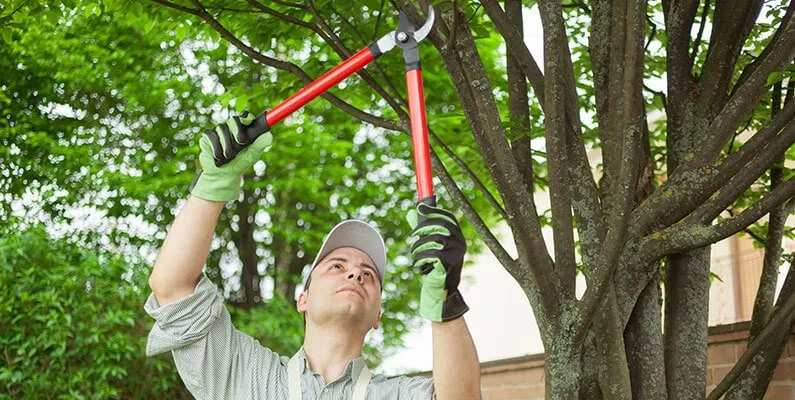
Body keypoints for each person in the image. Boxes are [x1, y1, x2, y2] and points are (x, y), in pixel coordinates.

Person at [144, 112, 481, 399]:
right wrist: (212, 187)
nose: (355, 274)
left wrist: (445, 300)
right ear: (302, 299)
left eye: (369, 274)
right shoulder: (245, 375)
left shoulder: (397, 395)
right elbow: (172, 288)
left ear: (377, 314)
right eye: (337, 265)